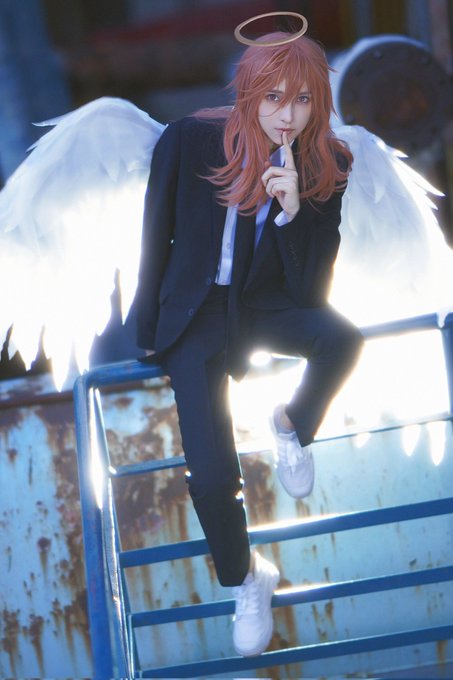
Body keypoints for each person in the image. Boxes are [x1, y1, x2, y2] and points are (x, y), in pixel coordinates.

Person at [135, 14, 363, 658]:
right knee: (210, 475)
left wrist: (293, 214)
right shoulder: (189, 140)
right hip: (196, 314)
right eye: (273, 97)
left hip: (262, 304)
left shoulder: (328, 162)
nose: (287, 115)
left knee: (342, 339)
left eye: (303, 100)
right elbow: (154, 234)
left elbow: (312, 292)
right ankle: (246, 579)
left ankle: (291, 424)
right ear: (249, 92)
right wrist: (146, 326)